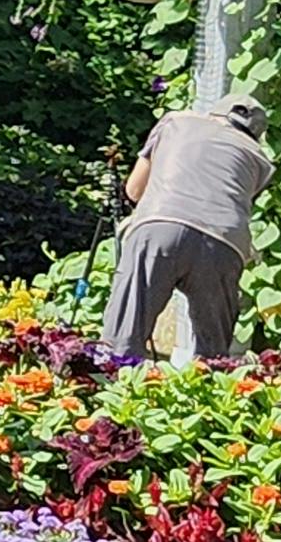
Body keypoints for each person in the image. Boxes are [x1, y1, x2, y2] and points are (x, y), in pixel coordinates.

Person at [102, 95, 271, 361]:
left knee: (124, 338)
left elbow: (134, 191)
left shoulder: (175, 122)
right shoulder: (259, 159)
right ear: (255, 135)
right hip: (224, 242)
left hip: (160, 228)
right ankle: (207, 393)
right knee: (213, 353)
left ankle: (112, 389)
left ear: (213, 114)